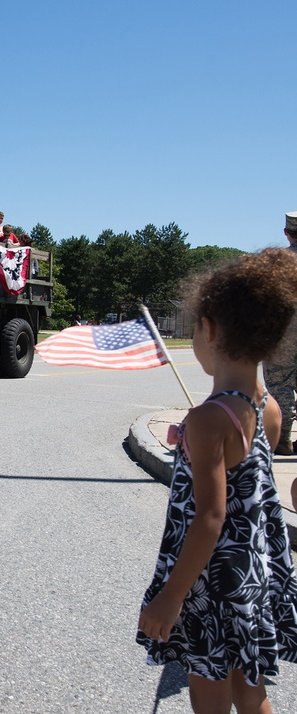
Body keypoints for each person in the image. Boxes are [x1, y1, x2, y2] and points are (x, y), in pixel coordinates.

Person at [136, 248, 297, 714]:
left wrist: (172, 597)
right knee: (252, 694)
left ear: (209, 330)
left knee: (209, 698)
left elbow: (210, 516)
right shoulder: (269, 409)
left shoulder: (210, 419)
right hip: (252, 578)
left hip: (212, 584)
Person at [262, 211, 297, 455]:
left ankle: (281, 440)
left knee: (280, 386)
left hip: (283, 333)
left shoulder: (277, 262)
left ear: (286, 232)